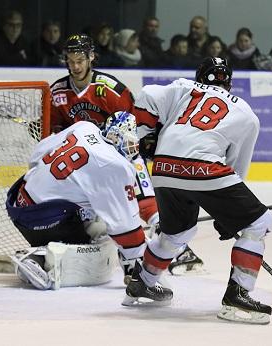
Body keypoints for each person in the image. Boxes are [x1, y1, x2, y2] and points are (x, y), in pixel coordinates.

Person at [125, 57, 272, 325]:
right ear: (229, 83)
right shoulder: (246, 113)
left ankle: (143, 282)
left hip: (163, 167)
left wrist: (145, 133)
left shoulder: (184, 87)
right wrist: (229, 219)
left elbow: (147, 94)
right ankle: (237, 296)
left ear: (199, 76)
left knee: (178, 232)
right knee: (259, 222)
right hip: (205, 169)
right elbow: (236, 170)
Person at [50, 33, 204, 280]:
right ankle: (124, 252)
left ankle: (179, 250)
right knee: (95, 214)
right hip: (85, 164)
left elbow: (134, 126)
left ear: (91, 57)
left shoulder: (111, 89)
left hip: (120, 155)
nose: (75, 66)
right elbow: (54, 130)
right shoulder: (57, 92)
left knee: (145, 203)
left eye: (80, 60)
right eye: (70, 61)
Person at [6, 111, 146, 289]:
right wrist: (142, 260)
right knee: (103, 230)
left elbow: (36, 155)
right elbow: (124, 226)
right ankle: (42, 258)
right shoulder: (116, 165)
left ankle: (46, 247)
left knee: (89, 202)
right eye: (130, 141)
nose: (132, 147)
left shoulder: (84, 127)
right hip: (46, 219)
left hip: (18, 203)